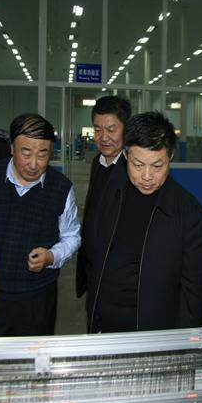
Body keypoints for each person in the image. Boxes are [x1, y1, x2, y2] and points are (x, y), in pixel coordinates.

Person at [86, 112, 202, 333]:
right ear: (125, 155)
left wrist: (183, 343)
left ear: (170, 156)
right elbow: (98, 256)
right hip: (104, 323)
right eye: (138, 165)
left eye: (157, 166)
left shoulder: (189, 214)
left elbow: (192, 293)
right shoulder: (113, 190)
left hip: (153, 332)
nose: (146, 176)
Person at [0, 113, 81, 336]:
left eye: (42, 154)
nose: (34, 164)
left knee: (36, 352)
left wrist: (51, 256)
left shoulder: (61, 188)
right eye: (26, 153)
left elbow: (72, 237)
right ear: (11, 149)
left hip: (38, 297)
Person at [75, 96, 131, 299]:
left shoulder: (134, 169)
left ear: (126, 129)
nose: (103, 137)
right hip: (93, 272)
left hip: (119, 280)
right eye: (98, 130)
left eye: (111, 129)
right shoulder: (97, 163)